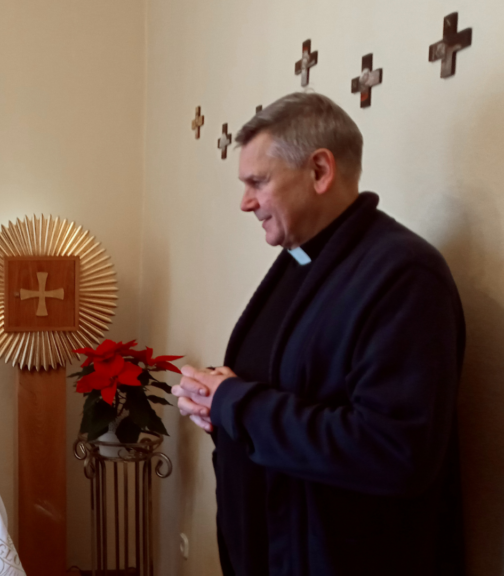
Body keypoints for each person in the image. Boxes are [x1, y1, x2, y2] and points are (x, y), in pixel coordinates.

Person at [172, 93, 465, 576]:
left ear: (320, 171)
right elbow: (291, 384)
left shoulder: (405, 275)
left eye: (258, 182)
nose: (245, 203)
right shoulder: (303, 258)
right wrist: (217, 399)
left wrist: (236, 403)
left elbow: (395, 450)